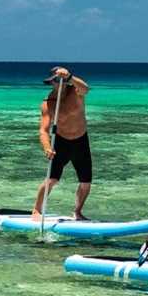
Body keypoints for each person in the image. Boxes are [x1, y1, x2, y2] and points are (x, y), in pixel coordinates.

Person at [31, 66, 91, 221]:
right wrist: (47, 147)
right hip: (61, 141)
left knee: (85, 182)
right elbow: (43, 130)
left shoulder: (76, 92)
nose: (60, 83)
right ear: (52, 83)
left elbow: (86, 88)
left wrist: (70, 77)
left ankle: (77, 212)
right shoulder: (48, 103)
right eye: (57, 81)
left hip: (81, 140)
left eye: (63, 81)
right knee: (52, 179)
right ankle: (36, 210)